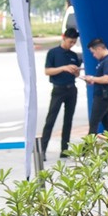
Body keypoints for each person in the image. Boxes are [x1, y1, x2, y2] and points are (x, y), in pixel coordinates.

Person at [39, 28, 82, 159]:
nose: (72, 44)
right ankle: (42, 150)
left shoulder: (74, 56)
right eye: (70, 42)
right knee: (50, 119)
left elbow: (77, 73)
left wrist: (75, 71)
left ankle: (65, 150)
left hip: (71, 89)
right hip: (58, 89)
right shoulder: (53, 53)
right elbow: (47, 71)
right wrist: (63, 68)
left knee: (68, 121)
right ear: (64, 38)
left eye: (74, 42)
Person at [81, 38, 108, 136]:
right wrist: (93, 80)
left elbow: (107, 79)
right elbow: (103, 79)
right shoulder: (104, 61)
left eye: (93, 52)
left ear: (98, 49)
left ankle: (86, 150)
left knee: (94, 123)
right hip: (103, 94)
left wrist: (92, 78)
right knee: (106, 122)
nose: (94, 55)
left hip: (103, 96)